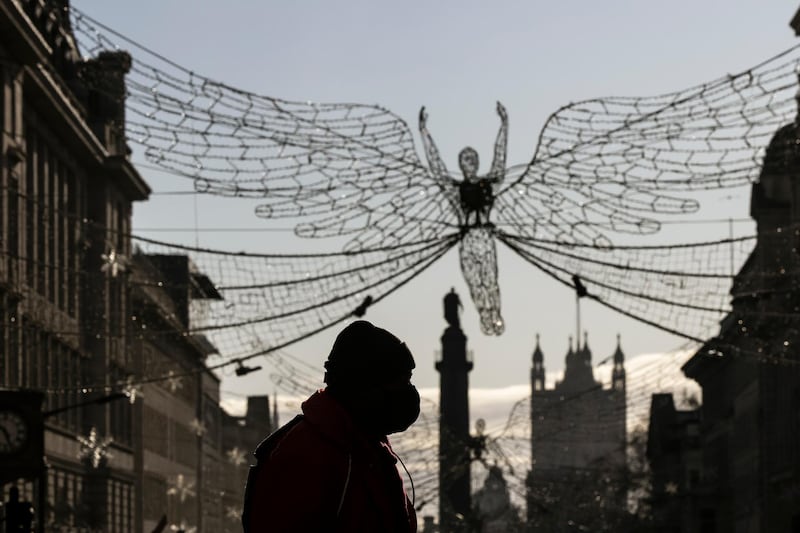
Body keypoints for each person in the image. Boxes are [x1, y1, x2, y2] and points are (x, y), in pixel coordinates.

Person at [242, 320, 420, 532]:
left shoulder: (368, 448)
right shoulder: (308, 453)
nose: (409, 392)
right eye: (402, 382)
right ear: (366, 386)